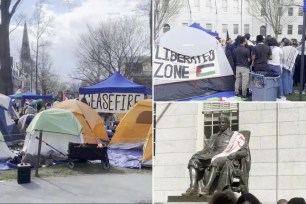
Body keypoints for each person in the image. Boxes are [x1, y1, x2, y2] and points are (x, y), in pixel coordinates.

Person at [182, 114, 245, 196]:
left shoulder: (235, 136)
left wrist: (235, 154)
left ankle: (206, 188)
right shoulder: (214, 136)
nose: (220, 124)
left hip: (225, 157)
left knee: (216, 161)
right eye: (219, 122)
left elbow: (244, 152)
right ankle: (193, 188)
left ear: (228, 124)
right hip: (211, 156)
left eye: (223, 122)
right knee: (193, 161)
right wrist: (198, 154)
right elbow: (206, 149)